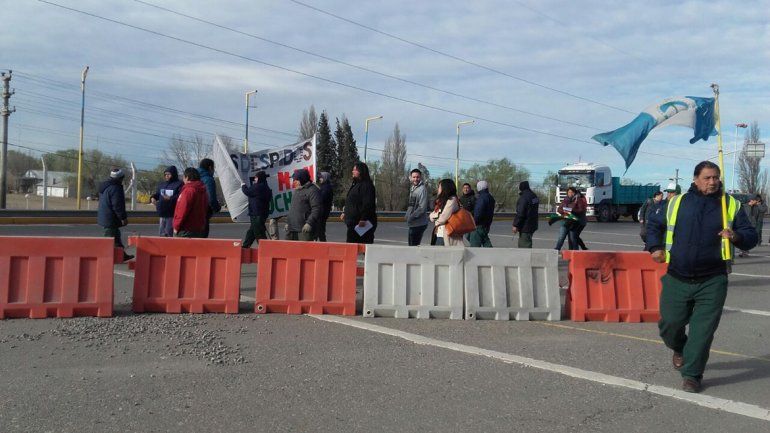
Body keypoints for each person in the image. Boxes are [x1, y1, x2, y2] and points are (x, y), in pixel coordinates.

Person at [646, 161, 757, 393]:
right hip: (677, 276)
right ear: (696, 179)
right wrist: (655, 247)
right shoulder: (676, 202)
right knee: (669, 325)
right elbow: (653, 225)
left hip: (713, 279)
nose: (712, 182)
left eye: (716, 177)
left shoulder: (730, 204)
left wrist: (735, 236)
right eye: (707, 178)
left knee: (702, 332)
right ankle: (679, 348)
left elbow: (750, 236)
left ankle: (692, 375)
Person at [97, 168, 132, 261]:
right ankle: (105, 258)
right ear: (120, 178)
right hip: (110, 218)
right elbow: (117, 205)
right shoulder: (116, 188)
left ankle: (122, 255)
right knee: (109, 239)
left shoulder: (105, 186)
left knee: (116, 236)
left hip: (105, 216)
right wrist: (123, 218)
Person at [341, 162, 377, 244]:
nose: (352, 171)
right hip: (353, 223)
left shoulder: (367, 186)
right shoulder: (356, 184)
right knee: (351, 247)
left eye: (355, 170)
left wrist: (363, 219)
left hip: (361, 224)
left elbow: (368, 204)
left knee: (362, 246)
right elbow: (352, 202)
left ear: (361, 172)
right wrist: (345, 212)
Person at [286, 168, 321, 241]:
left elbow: (317, 209)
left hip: (304, 230)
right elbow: (292, 209)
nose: (293, 182)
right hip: (291, 229)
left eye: (296, 180)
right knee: (288, 248)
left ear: (302, 179)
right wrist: (288, 222)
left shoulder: (312, 190)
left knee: (304, 248)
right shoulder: (297, 190)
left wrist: (309, 223)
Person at [173, 168, 209, 238]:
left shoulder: (188, 191)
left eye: (183, 177)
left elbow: (182, 210)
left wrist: (176, 226)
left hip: (185, 229)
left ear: (187, 177)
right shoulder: (203, 191)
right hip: (199, 228)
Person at [240, 171, 272, 248]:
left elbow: (247, 192)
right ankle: (245, 246)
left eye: (256, 177)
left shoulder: (258, 187)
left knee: (259, 233)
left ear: (259, 178)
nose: (254, 179)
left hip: (256, 213)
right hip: (261, 213)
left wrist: (243, 185)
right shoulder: (265, 187)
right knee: (252, 231)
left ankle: (265, 249)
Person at [149, 166, 183, 237]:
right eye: (165, 174)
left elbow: (180, 196)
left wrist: (170, 198)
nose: (167, 176)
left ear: (173, 174)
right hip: (162, 212)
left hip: (171, 213)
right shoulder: (162, 184)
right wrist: (153, 197)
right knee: (161, 234)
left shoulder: (179, 184)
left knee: (169, 233)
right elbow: (158, 194)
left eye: (169, 174)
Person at [429, 178, 464, 246]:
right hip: (440, 233)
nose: (438, 189)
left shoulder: (452, 200)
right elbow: (436, 214)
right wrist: (434, 216)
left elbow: (443, 218)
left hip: (447, 234)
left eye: (439, 187)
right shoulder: (442, 201)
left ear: (445, 188)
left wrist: (435, 219)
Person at [405, 168, 429, 246]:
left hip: (419, 224)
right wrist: (407, 215)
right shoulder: (413, 188)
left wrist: (410, 217)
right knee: (411, 246)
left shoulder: (422, 189)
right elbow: (412, 205)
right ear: (410, 177)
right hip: (413, 223)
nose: (415, 179)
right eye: (414, 177)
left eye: (417, 177)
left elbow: (422, 208)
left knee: (413, 247)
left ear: (420, 177)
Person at [197, 158, 221, 238]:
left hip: (192, 211)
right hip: (203, 212)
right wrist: (216, 208)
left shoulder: (192, 176)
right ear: (210, 168)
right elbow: (211, 198)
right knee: (202, 237)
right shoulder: (208, 179)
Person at [512, 181, 539, 248]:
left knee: (524, 246)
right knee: (528, 242)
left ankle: (526, 255)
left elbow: (521, 213)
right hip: (533, 224)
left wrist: (515, 225)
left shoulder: (524, 198)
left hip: (525, 226)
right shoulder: (534, 196)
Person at [469, 180, 495, 247]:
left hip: (479, 225)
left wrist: (473, 222)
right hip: (486, 224)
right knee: (486, 243)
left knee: (475, 246)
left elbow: (478, 212)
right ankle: (493, 254)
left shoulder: (481, 198)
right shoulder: (491, 197)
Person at [316, 171, 334, 242]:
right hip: (322, 212)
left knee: (320, 231)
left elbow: (321, 198)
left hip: (322, 212)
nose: (320, 179)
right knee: (319, 231)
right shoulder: (324, 186)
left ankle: (323, 245)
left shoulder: (326, 188)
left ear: (325, 178)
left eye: (321, 177)